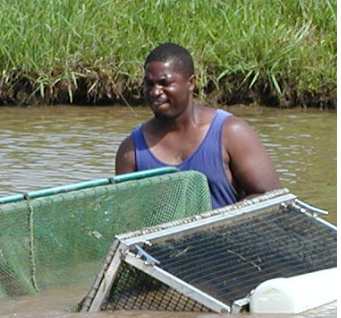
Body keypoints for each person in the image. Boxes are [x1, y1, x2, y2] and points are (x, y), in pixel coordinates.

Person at [115, 44, 280, 209]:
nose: (155, 92)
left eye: (164, 83)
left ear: (191, 83)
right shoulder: (130, 151)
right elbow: (125, 215)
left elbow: (271, 197)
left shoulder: (231, 133)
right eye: (149, 84)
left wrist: (214, 222)